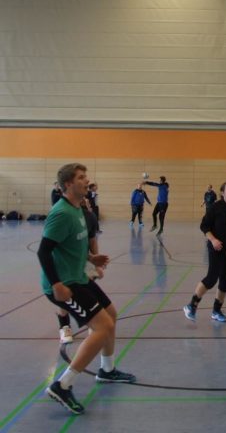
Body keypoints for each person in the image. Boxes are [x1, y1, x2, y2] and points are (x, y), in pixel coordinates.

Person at [38, 163, 135, 416]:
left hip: (78, 276)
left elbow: (73, 244)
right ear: (68, 184)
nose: (86, 180)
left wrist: (92, 259)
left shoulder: (79, 209)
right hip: (63, 283)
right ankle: (62, 385)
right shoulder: (61, 213)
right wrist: (57, 285)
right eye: (81, 177)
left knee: (110, 314)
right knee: (102, 327)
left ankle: (107, 370)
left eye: (86, 176)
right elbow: (44, 251)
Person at [183, 181, 226, 323]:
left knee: (225, 281)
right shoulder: (215, 207)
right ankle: (191, 305)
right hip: (216, 249)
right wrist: (213, 240)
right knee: (212, 278)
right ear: (222, 192)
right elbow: (204, 226)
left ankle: (216, 311)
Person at [57, 198, 104, 345]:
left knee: (88, 292)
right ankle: (64, 326)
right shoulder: (64, 216)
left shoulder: (90, 217)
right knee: (66, 296)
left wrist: (96, 263)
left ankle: (92, 323)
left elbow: (92, 241)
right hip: (66, 264)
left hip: (84, 262)